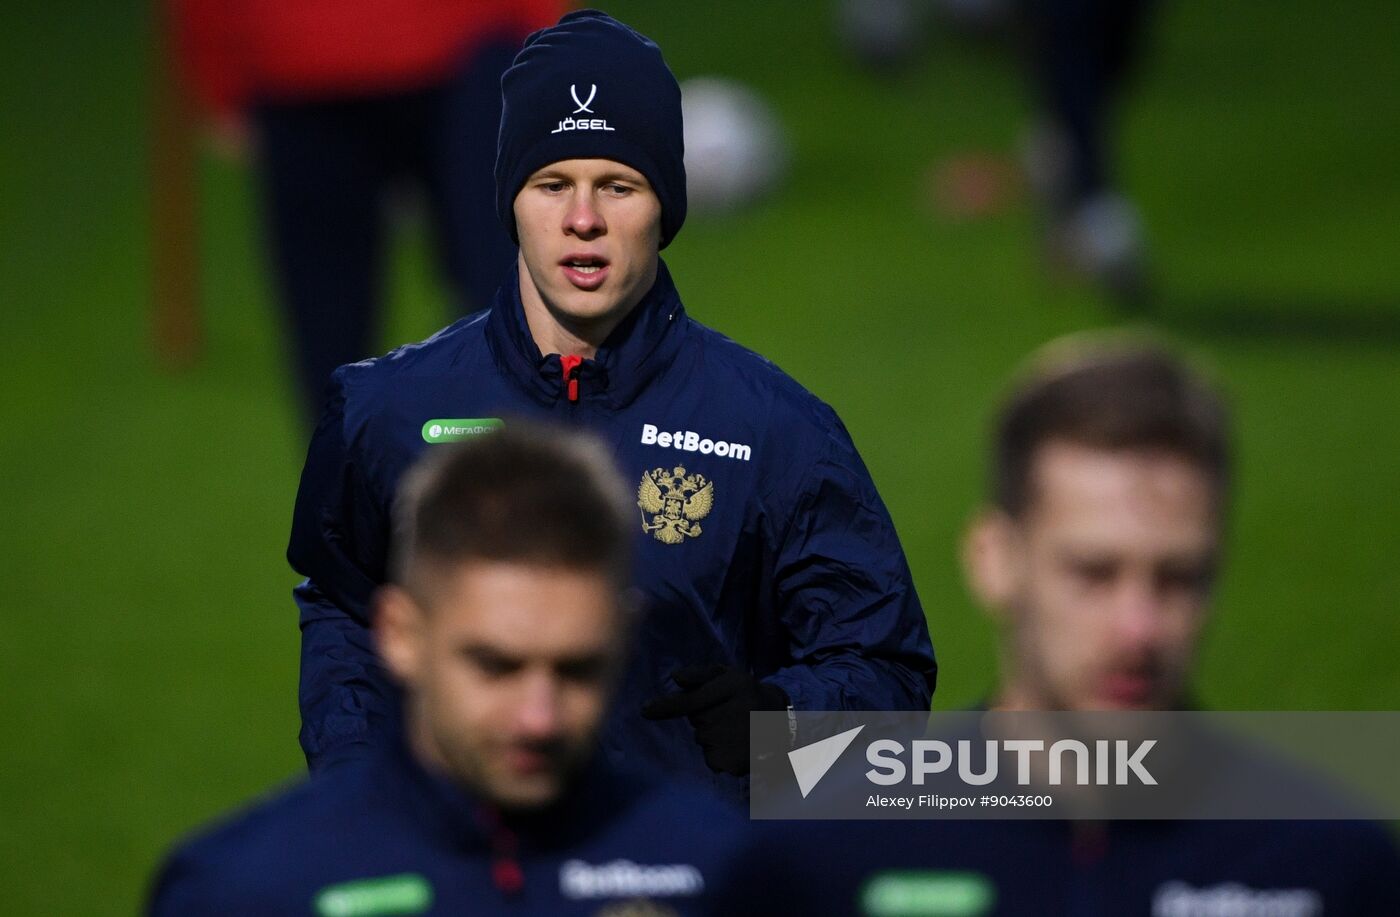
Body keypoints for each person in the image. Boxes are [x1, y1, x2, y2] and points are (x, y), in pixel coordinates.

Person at [288, 10, 937, 797]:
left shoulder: (776, 432)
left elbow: (887, 673)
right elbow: (346, 616)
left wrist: (783, 727)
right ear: (511, 201)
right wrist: (358, 786)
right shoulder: (383, 411)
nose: (583, 219)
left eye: (618, 186)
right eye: (552, 183)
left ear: (665, 208)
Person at [811, 337, 1400, 914]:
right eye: (1093, 573)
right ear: (994, 561)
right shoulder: (829, 857)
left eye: (1178, 578)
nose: (1138, 631)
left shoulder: (1332, 868)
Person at [151, 426, 802, 915]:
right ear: (400, 634)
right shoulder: (242, 889)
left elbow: (896, 764)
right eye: (495, 665)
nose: (538, 716)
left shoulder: (719, 867)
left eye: (577, 669)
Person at [168, 0, 564, 420]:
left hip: (331, 53)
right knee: (512, 308)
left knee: (506, 307)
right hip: (419, 48)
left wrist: (218, 69)